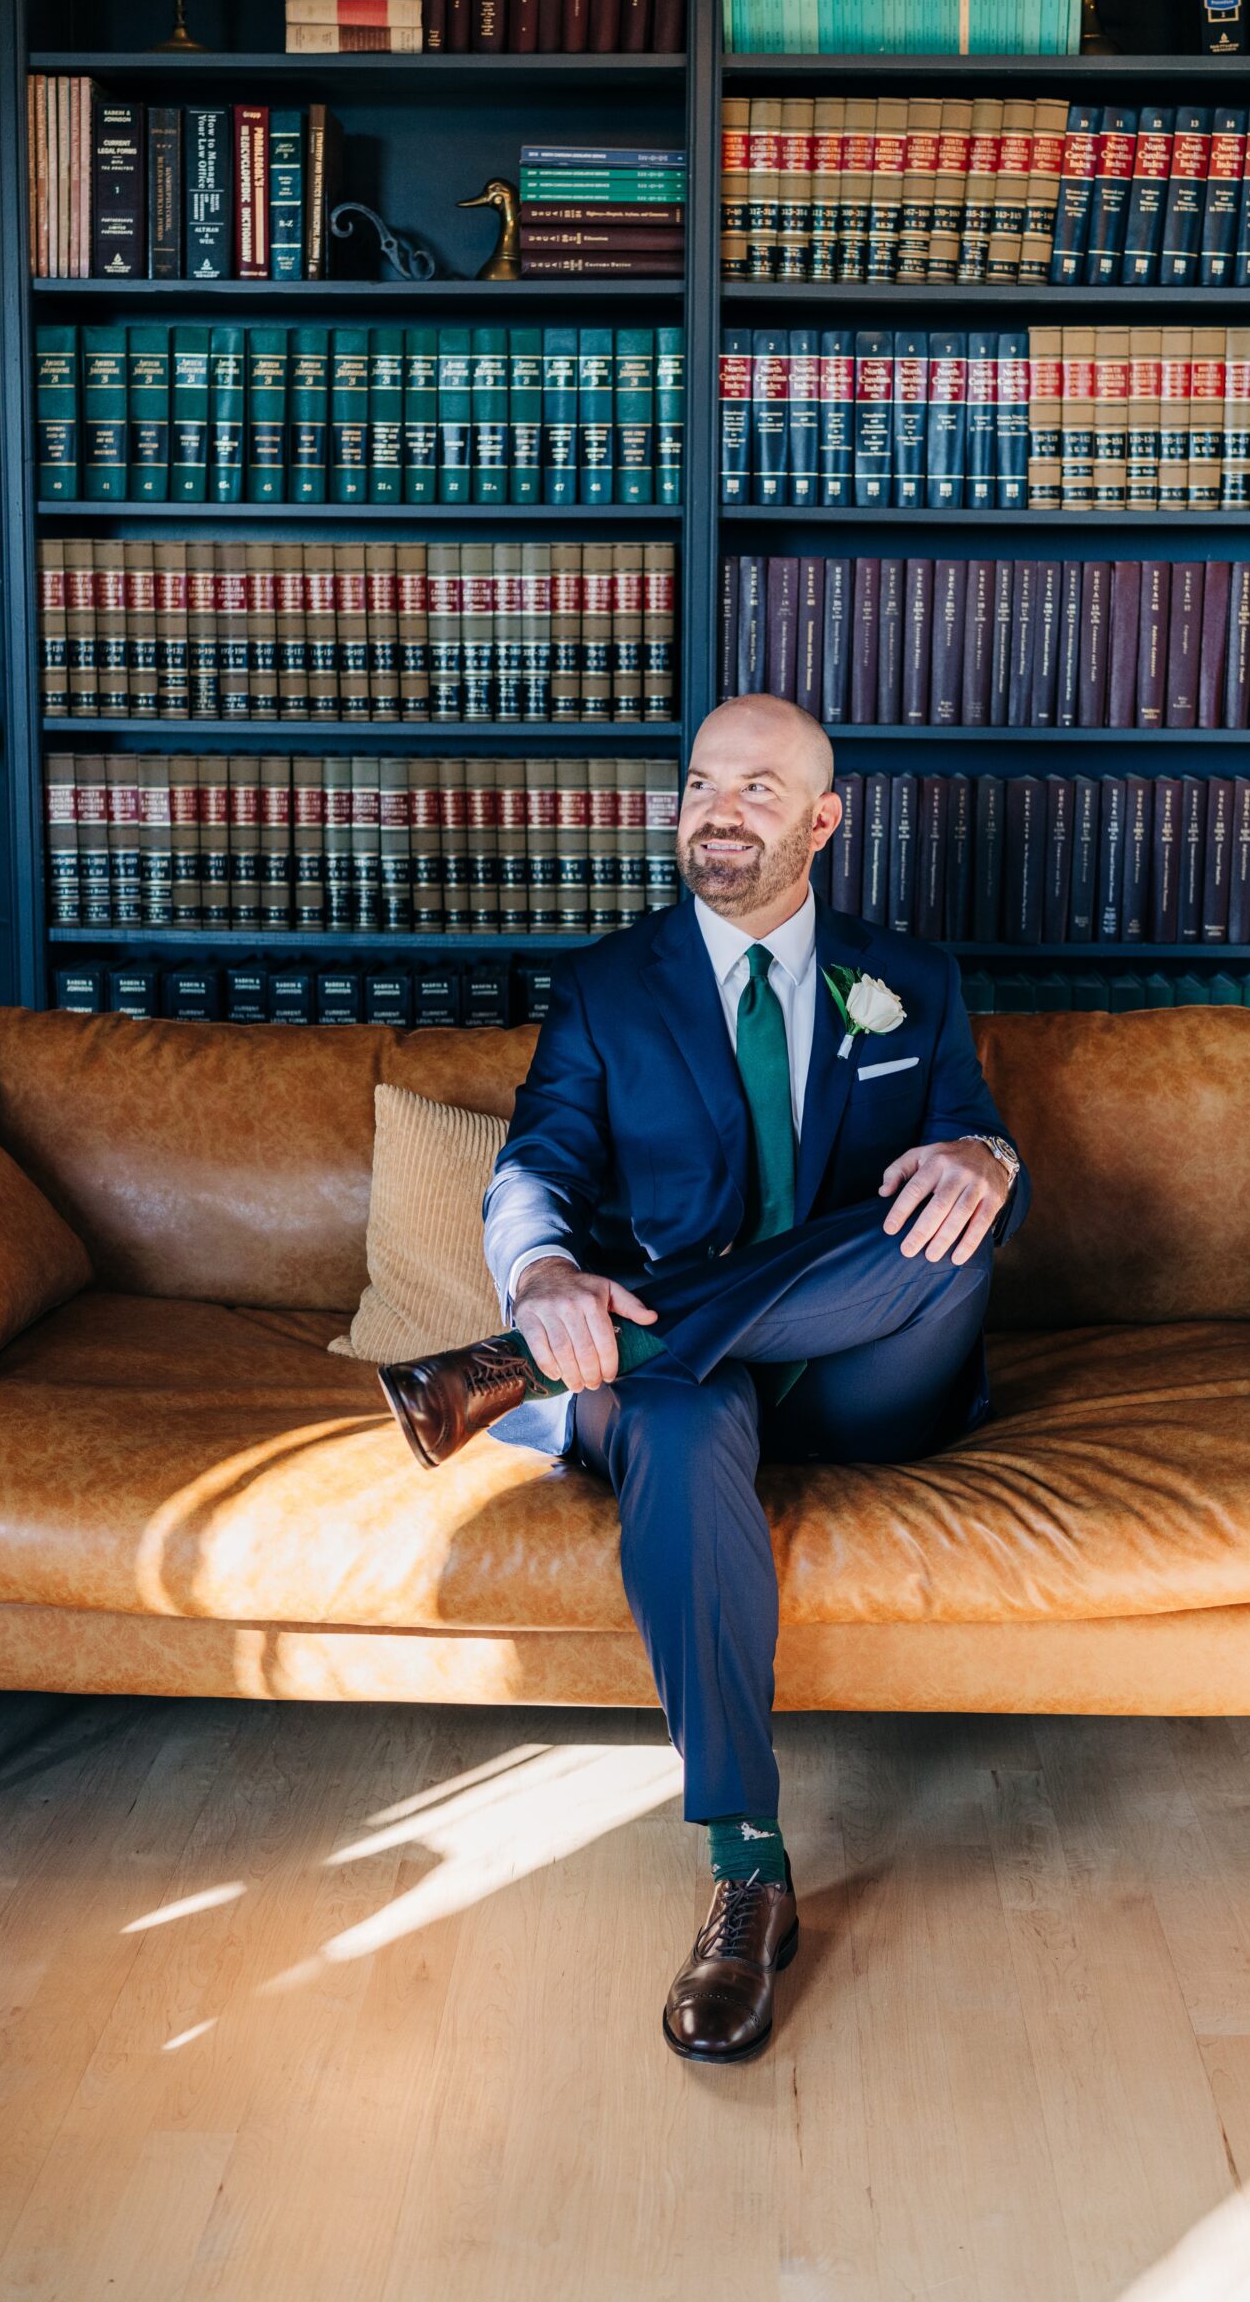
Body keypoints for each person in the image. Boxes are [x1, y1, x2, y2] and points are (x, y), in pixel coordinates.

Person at [377, 695, 1029, 2064]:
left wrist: (989, 1157)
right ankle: (748, 1870)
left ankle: (516, 1369)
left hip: (865, 1366)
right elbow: (536, 1166)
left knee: (950, 1223)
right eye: (700, 786)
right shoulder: (611, 988)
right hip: (682, 1394)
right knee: (670, 1425)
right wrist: (544, 1280)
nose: (718, 812)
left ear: (821, 822)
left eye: (757, 788)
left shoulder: (909, 975)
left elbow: (967, 1130)